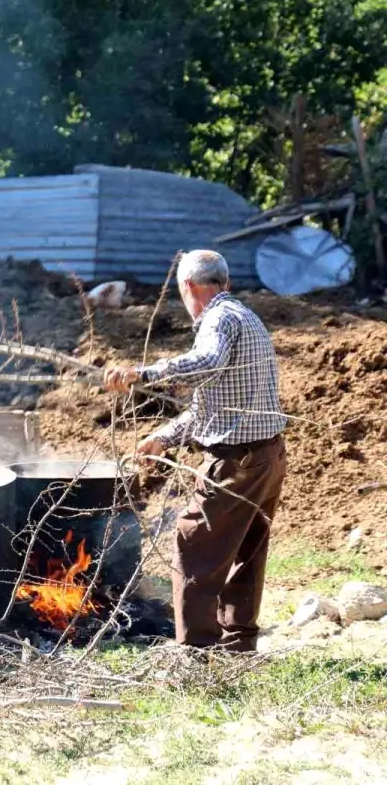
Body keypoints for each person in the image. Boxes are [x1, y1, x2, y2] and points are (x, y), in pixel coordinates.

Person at [103, 250, 287, 653]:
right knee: (246, 551)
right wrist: (164, 437)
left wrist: (144, 373)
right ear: (226, 282)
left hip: (237, 461)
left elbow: (206, 361)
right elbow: (208, 406)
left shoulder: (218, 319)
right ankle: (238, 644)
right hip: (267, 457)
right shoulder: (243, 316)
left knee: (191, 542)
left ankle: (195, 652)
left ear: (187, 287)